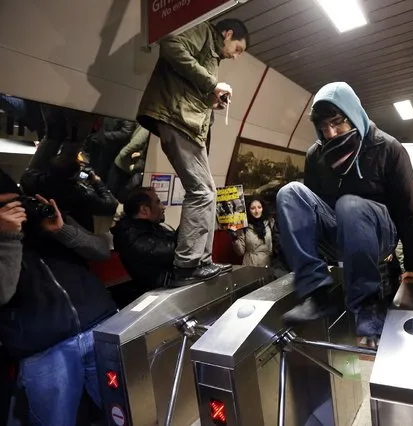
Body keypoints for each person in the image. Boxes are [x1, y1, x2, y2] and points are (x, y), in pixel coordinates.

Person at [276, 82, 413, 339]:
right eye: (323, 127)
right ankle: (317, 294)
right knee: (290, 193)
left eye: (337, 124)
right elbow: (311, 208)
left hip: (380, 234)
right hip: (340, 232)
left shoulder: (388, 148)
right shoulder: (316, 155)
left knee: (350, 205)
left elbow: (409, 209)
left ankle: (367, 304)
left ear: (353, 115)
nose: (331, 134)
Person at [0, 168, 117, 426]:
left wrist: (61, 230)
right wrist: (7, 237)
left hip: (99, 327)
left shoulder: (43, 221)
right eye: (3, 207)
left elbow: (101, 250)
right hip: (45, 348)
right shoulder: (5, 239)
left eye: (16, 202)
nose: (15, 210)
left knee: (123, 412)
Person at [137, 18, 248, 282]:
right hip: (176, 119)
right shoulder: (202, 30)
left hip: (184, 121)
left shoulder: (210, 52)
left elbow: (187, 86)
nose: (236, 56)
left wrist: (211, 100)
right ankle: (188, 265)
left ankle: (202, 260)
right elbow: (171, 46)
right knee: (201, 192)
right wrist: (212, 84)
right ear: (228, 33)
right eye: (238, 49)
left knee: (208, 192)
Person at [111, 187, 176, 294]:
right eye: (158, 203)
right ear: (144, 210)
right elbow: (177, 251)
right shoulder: (132, 238)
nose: (163, 207)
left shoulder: (151, 227)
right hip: (162, 291)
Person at [231, 198, 276, 267]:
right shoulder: (244, 226)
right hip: (250, 264)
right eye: (253, 208)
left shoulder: (270, 222)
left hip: (268, 264)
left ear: (263, 208)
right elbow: (240, 252)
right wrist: (234, 238)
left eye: (259, 207)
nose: (257, 211)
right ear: (248, 211)